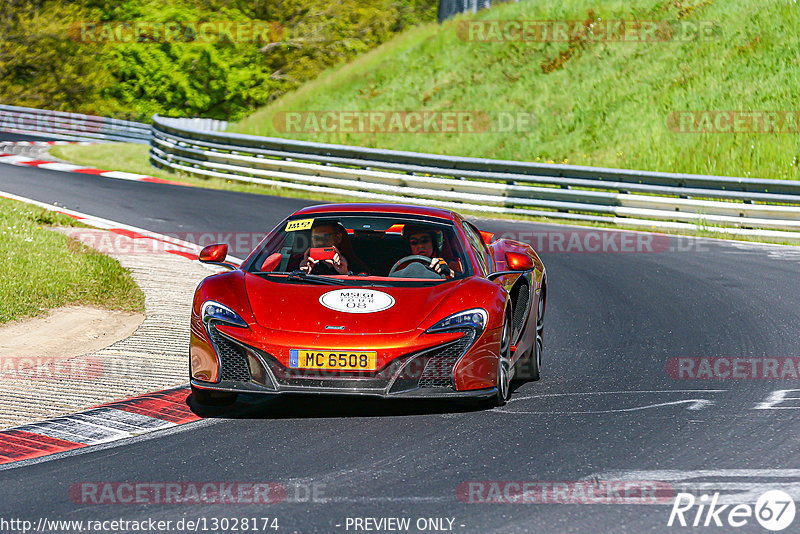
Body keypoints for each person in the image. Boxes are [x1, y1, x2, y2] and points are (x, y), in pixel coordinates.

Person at [298, 221, 367, 275]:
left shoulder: (352, 263)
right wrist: (302, 273)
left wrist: (345, 273)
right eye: (316, 238)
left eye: (326, 237)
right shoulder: (304, 263)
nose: (321, 242)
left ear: (338, 238)